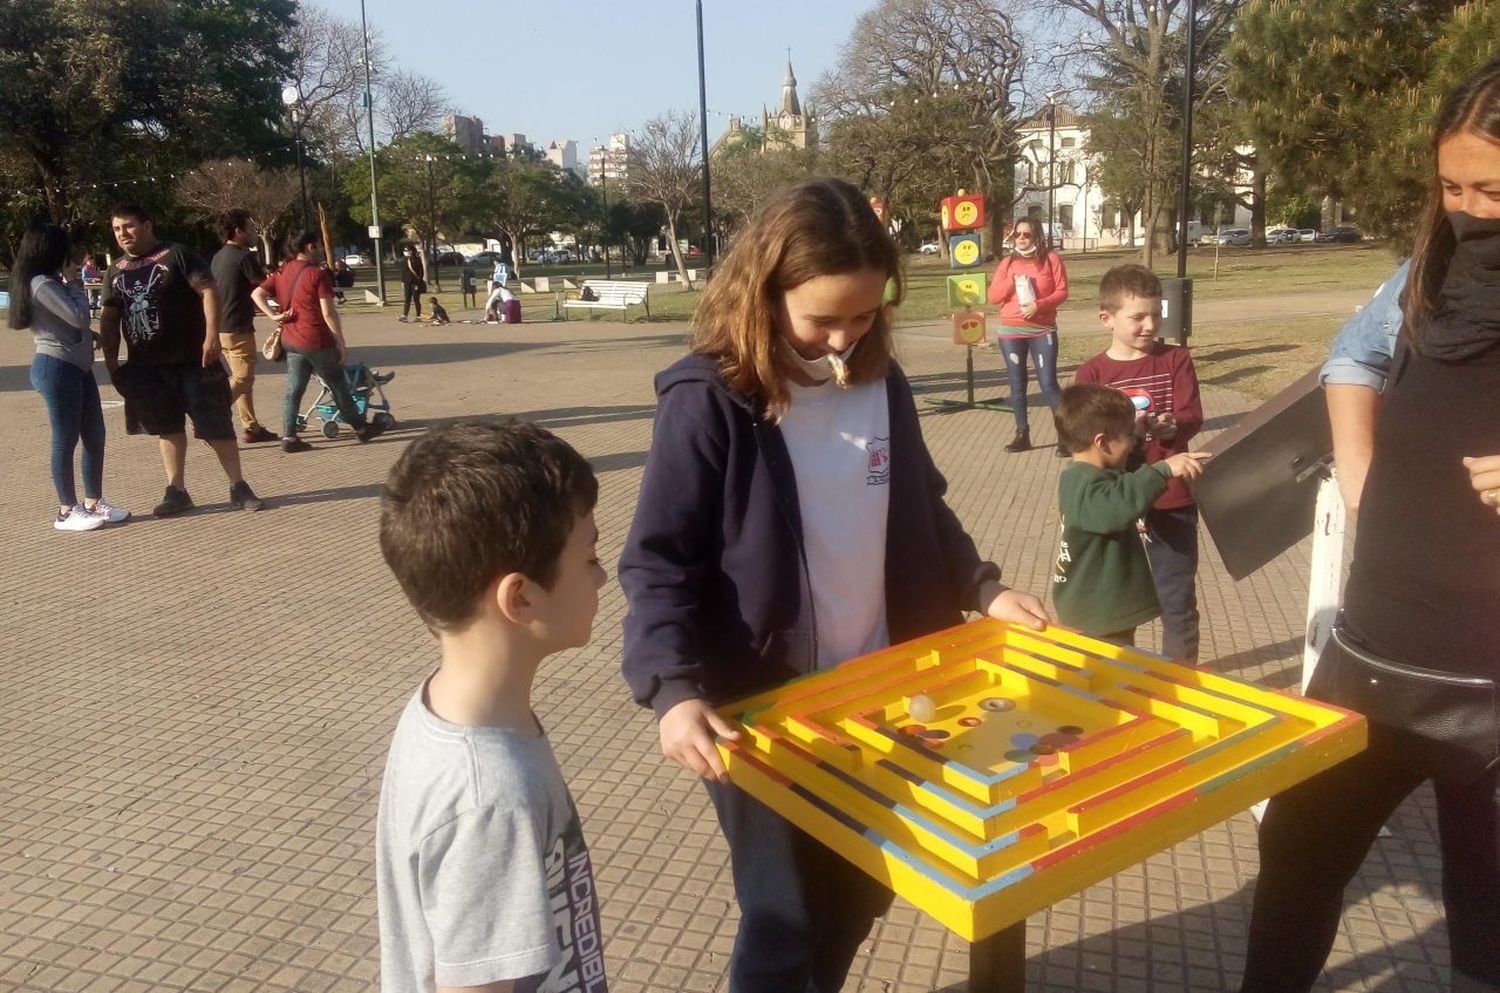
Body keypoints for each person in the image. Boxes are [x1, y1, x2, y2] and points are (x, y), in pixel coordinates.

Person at [618, 177, 1051, 993]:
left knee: (864, 883)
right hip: (763, 708)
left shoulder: (881, 382)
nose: (845, 338)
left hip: (885, 692)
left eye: (864, 315)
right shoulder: (709, 402)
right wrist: (672, 688)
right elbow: (658, 559)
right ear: (764, 290)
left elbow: (921, 506)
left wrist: (985, 588)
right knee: (785, 917)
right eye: (823, 319)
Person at [1238, 58, 1500, 993]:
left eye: (1492, 190)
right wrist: (1361, 479)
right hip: (1372, 652)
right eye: (1451, 185)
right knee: (1296, 866)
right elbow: (1353, 354)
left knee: (1490, 929)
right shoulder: (1432, 266)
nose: (1468, 211)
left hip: (1495, 682)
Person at [375, 419, 611, 993]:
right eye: (589, 556)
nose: (604, 574)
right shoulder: (490, 799)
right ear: (521, 596)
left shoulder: (450, 711)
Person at [1074, 264, 1205, 662]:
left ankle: (1179, 683)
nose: (1150, 325)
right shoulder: (1092, 373)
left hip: (1171, 499)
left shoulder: (1176, 359)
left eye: (1156, 314)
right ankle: (1113, 678)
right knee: (1112, 600)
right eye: (1138, 317)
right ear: (1106, 319)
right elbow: (1084, 441)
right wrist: (1126, 431)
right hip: (1116, 502)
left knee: (1177, 600)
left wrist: (1171, 427)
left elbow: (1192, 414)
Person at [98, 202, 264, 516]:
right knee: (167, 427)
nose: (123, 234)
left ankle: (238, 485)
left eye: (129, 226)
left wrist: (212, 335)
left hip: (194, 360)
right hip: (147, 365)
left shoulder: (178, 254)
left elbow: (209, 291)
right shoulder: (115, 269)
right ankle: (176, 489)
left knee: (216, 425)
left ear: (147, 224)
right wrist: (110, 360)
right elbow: (109, 315)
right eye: (117, 229)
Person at [1050, 384, 1208, 645]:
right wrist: (1162, 470)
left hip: (1099, 607)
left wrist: (1139, 439)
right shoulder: (1086, 484)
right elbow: (1116, 507)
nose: (1132, 442)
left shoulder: (1085, 474)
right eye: (1128, 437)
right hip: (1097, 612)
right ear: (1101, 441)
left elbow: (1121, 481)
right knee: (1109, 676)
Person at [9, 221, 130, 531]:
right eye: (66, 250)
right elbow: (76, 315)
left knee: (95, 434)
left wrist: (88, 336)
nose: (71, 257)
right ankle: (66, 510)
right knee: (65, 439)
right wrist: (75, 283)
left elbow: (66, 323)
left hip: (78, 367)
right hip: (56, 367)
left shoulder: (52, 282)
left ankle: (93, 501)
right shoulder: (41, 283)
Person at [252, 230, 384, 453]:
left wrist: (273, 315)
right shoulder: (317, 274)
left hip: (291, 339)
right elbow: (328, 312)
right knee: (338, 385)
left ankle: (289, 437)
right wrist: (340, 340)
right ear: (310, 247)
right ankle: (361, 429)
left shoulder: (282, 271)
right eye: (319, 245)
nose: (322, 250)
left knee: (294, 389)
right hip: (315, 339)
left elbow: (256, 294)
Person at [986, 216, 1069, 455]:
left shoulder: (1051, 259)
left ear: (1037, 236)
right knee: (1017, 384)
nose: (1021, 239)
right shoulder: (1007, 262)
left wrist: (1039, 305)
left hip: (1042, 330)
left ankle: (1065, 435)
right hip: (1011, 332)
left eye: (1027, 234)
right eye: (1017, 235)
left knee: (1048, 383)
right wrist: (1011, 283)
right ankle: (1022, 434)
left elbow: (1062, 291)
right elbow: (993, 297)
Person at [210, 208, 277, 445]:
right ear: (238, 231)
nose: (253, 232)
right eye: (250, 228)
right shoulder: (243, 257)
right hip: (238, 327)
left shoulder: (218, 257)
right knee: (243, 379)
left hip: (220, 327)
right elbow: (266, 286)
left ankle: (251, 427)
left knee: (242, 379)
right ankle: (211, 419)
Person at [398, 244, 425, 322]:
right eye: (405, 251)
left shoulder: (416, 259)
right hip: (407, 282)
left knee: (416, 300)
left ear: (412, 251)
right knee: (407, 299)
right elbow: (403, 272)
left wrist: (418, 283)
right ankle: (404, 315)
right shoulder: (404, 260)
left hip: (415, 283)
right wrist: (402, 281)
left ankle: (418, 316)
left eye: (408, 250)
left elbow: (421, 272)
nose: (406, 252)